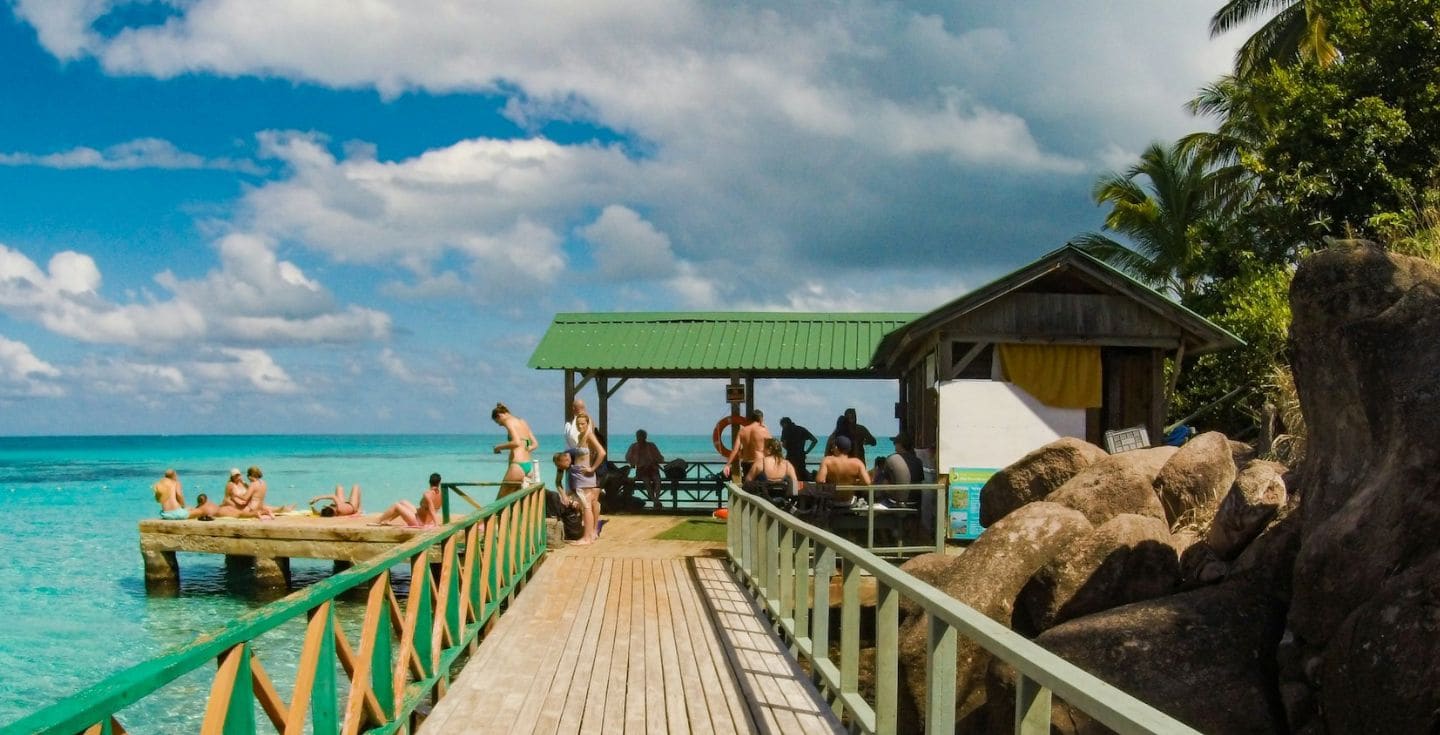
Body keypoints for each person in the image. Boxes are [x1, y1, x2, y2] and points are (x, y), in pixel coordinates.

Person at [569, 413, 606, 544]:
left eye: (583, 423)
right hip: (579, 475)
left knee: (586, 506)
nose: (580, 426)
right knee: (585, 506)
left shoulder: (589, 435)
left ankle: (587, 538)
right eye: (578, 424)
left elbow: (601, 452)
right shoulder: (580, 436)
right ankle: (588, 535)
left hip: (585, 475)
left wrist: (592, 468)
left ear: (588, 423)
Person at [492, 402, 540, 497]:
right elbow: (535, 444)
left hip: (517, 466)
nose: (499, 425)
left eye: (498, 422)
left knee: (500, 500)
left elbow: (516, 442)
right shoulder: (522, 421)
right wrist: (526, 448)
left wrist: (498, 447)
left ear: (499, 415)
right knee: (514, 501)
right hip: (528, 466)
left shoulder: (508, 421)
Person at [815, 435, 871, 504]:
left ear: (836, 447)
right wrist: (854, 482)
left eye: (833, 446)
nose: (832, 449)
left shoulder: (827, 461)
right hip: (849, 501)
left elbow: (820, 480)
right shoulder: (857, 463)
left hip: (832, 501)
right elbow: (867, 482)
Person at [375, 473, 443, 528]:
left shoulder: (428, 494)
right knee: (403, 502)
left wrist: (436, 524)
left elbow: (432, 509)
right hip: (420, 516)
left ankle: (378, 521)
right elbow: (434, 508)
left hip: (419, 521)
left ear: (429, 482)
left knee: (396, 505)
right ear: (439, 482)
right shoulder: (441, 494)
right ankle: (388, 520)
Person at [722, 409, 771, 479]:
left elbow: (735, 450)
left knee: (749, 488)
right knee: (762, 487)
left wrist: (727, 465)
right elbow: (772, 447)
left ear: (751, 419)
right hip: (759, 463)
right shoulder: (763, 430)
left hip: (746, 464)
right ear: (761, 419)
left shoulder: (742, 431)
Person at [625, 429, 666, 510]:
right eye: (638, 436)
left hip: (652, 468)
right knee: (646, 482)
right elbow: (627, 457)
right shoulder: (634, 446)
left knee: (657, 481)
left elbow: (660, 457)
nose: (639, 438)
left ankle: (656, 500)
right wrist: (632, 463)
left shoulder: (651, 445)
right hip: (642, 470)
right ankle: (655, 501)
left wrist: (655, 460)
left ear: (645, 437)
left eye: (641, 436)